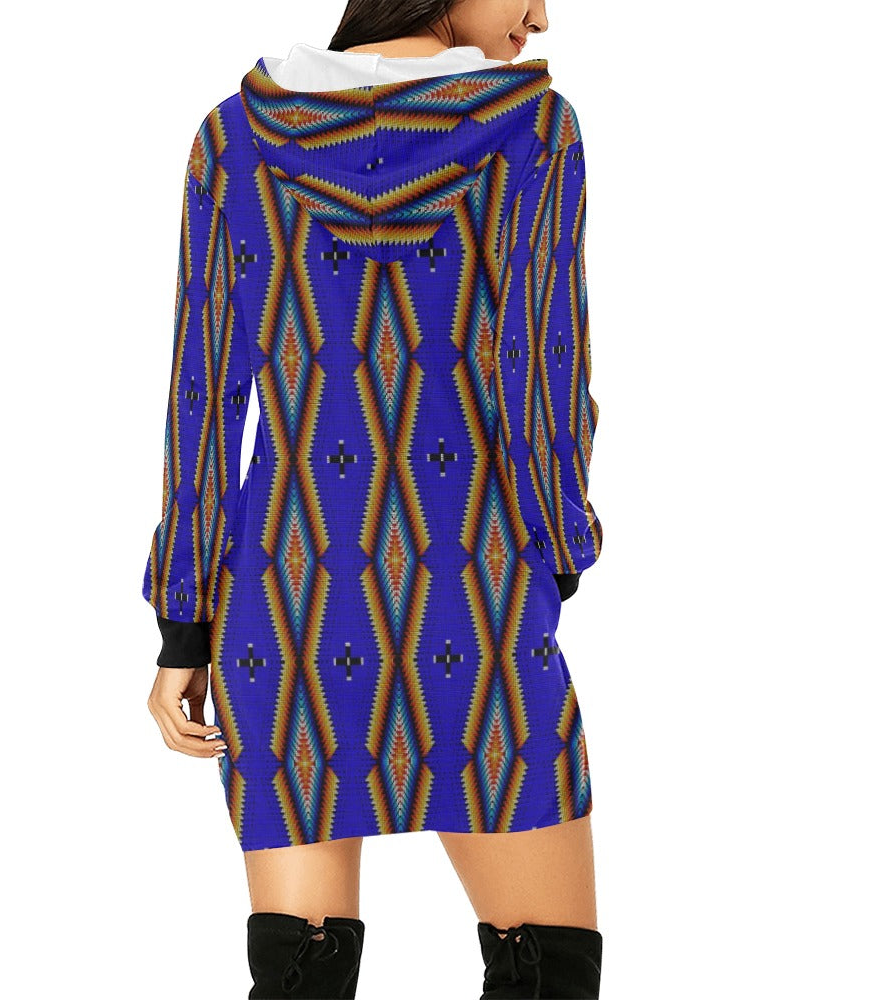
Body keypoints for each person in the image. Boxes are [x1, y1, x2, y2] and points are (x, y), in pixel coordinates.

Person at [143, 2, 605, 996]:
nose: (541, 15)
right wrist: (562, 541)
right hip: (476, 592)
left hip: (283, 600)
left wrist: (185, 626)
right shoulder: (534, 130)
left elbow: (203, 393)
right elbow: (544, 367)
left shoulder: (234, 138)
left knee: (300, 975)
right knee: (547, 971)